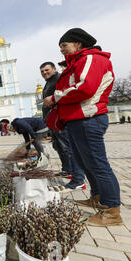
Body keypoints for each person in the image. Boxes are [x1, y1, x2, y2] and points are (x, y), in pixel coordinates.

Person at [45, 27, 122, 226]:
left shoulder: (91, 58)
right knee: (85, 162)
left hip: (88, 118)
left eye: (65, 45)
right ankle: (97, 197)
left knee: (97, 163)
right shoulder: (79, 61)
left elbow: (85, 88)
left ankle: (112, 211)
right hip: (76, 120)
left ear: (78, 43)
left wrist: (55, 97)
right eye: (60, 46)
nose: (62, 49)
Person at [40, 62, 86, 190]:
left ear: (54, 69)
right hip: (52, 120)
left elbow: (63, 95)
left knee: (67, 147)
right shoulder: (49, 82)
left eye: (47, 70)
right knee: (58, 146)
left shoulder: (59, 79)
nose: (44, 73)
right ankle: (68, 170)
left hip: (59, 119)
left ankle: (78, 178)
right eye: (42, 71)